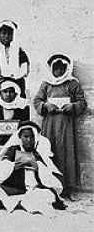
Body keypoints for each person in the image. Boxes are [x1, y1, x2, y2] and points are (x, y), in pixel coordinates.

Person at [33, 54, 87, 197]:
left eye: (61, 68)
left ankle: (66, 186)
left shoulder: (72, 83)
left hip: (66, 124)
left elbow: (82, 102)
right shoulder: (46, 83)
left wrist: (73, 106)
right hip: (50, 123)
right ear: (51, 69)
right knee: (49, 151)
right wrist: (45, 105)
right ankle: (49, 185)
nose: (58, 71)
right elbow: (37, 101)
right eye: (55, 68)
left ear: (67, 68)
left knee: (66, 152)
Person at [0, 121, 66, 216]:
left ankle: (18, 202)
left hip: (34, 188)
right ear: (20, 137)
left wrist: (36, 166)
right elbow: (4, 165)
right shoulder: (13, 149)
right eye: (26, 137)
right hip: (17, 187)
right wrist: (14, 166)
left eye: (32, 137)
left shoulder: (36, 152)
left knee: (49, 194)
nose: (29, 140)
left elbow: (46, 174)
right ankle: (24, 201)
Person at [0, 77, 30, 146]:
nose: (8, 94)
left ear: (16, 92)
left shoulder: (23, 108)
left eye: (11, 91)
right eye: (5, 91)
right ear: (0, 93)